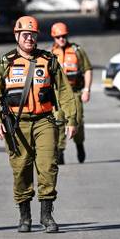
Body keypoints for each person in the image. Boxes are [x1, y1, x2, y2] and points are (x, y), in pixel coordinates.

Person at [0, 15, 78, 233]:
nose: (29, 39)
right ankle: (24, 215)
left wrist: (71, 119)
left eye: (33, 35)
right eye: (25, 35)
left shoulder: (49, 60)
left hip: (44, 121)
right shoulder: (4, 63)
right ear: (17, 36)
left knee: (48, 166)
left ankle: (46, 215)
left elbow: (64, 91)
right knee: (21, 169)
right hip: (16, 125)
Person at [49, 21, 93, 164]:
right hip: (57, 94)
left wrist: (86, 89)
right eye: (58, 37)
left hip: (74, 92)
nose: (61, 39)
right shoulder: (49, 54)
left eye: (64, 36)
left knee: (77, 120)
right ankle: (60, 152)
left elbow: (87, 69)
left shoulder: (77, 50)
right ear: (54, 38)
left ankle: (79, 145)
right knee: (58, 121)